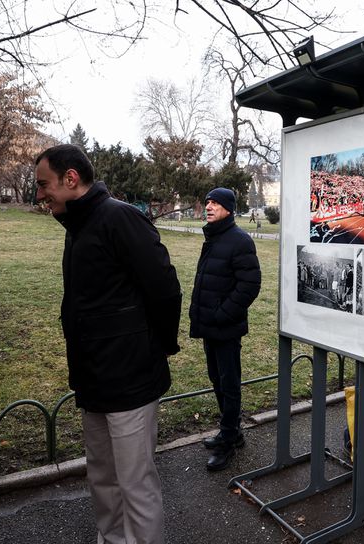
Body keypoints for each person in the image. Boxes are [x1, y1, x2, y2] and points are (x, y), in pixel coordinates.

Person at [35, 144, 182, 543]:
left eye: (43, 185)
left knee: (135, 482)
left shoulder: (120, 218)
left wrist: (159, 347)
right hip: (94, 378)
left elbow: (165, 290)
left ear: (70, 179)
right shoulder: (78, 225)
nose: (39, 195)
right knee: (102, 477)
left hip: (131, 379)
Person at [189, 188, 261, 471]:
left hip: (225, 326)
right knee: (217, 378)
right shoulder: (214, 236)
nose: (209, 206)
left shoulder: (239, 240)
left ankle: (229, 439)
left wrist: (222, 314)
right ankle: (233, 431)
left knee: (229, 383)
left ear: (229, 208)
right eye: (207, 201)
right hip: (210, 324)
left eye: (215, 202)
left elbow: (250, 285)